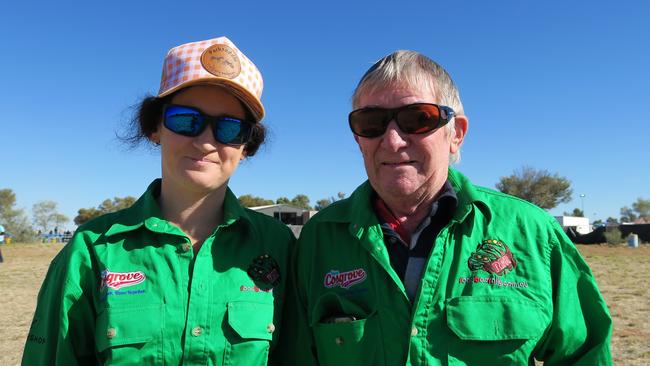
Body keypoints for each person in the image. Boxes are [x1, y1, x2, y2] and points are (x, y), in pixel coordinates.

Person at [277, 51, 612, 365]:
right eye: (371, 122)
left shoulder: (532, 233)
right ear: (358, 138)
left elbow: (585, 354)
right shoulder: (319, 239)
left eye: (417, 118)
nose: (392, 140)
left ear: (457, 134)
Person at [23, 37, 294, 365]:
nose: (206, 140)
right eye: (185, 119)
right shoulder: (92, 249)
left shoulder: (282, 247)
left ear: (246, 146)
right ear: (155, 127)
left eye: (229, 128)